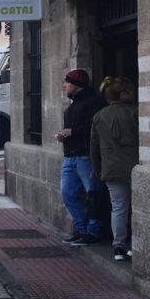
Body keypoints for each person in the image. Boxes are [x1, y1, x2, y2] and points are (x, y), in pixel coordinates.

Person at [90, 76, 138, 261]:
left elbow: (94, 147)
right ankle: (134, 245)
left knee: (118, 208)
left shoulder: (99, 116)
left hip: (110, 169)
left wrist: (97, 168)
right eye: (131, 90)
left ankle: (119, 245)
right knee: (136, 208)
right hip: (134, 166)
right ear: (123, 93)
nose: (134, 93)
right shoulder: (136, 112)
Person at [56, 69, 104, 245]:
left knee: (92, 194)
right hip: (70, 156)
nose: (64, 86)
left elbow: (95, 128)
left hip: (85, 156)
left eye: (67, 83)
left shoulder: (92, 102)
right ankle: (82, 229)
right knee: (67, 193)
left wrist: (73, 132)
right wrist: (63, 135)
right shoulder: (73, 104)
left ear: (75, 85)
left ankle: (93, 232)